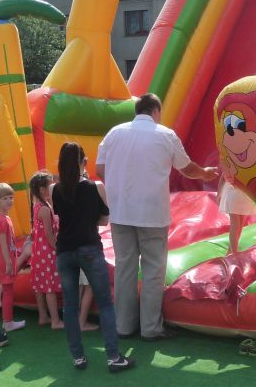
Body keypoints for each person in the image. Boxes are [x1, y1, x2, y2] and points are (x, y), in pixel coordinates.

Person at [96, 93, 219, 341]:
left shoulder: (114, 133)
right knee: (153, 270)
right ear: (156, 111)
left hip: (121, 212)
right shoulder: (165, 135)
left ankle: (123, 325)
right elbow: (187, 168)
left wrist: (121, 184)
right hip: (152, 212)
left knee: (125, 268)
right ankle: (150, 327)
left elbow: (100, 169)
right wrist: (205, 173)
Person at [53, 142, 135, 373]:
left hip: (65, 251)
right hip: (89, 248)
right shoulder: (95, 186)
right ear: (84, 162)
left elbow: (61, 216)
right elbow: (104, 219)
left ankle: (78, 357)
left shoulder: (55, 189)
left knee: (70, 306)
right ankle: (113, 357)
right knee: (106, 304)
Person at [0, 183, 30, 332]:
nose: (9, 201)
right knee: (8, 291)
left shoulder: (5, 217)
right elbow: (2, 243)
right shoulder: (1, 220)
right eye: (4, 198)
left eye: (10, 197)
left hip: (6, 257)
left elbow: (8, 241)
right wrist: (8, 262)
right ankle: (7, 322)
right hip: (4, 259)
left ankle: (7, 321)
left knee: (8, 289)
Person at [29, 171, 63, 329]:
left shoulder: (38, 206)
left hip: (38, 252)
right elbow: (49, 235)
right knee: (49, 287)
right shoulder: (44, 209)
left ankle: (43, 316)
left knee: (40, 286)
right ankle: (55, 321)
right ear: (43, 190)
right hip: (47, 252)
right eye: (51, 185)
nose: (54, 187)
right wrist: (58, 248)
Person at [217, 178, 256, 255]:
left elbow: (223, 178)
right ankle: (232, 250)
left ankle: (233, 251)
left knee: (235, 225)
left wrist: (219, 195)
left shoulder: (230, 170)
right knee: (238, 225)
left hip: (235, 194)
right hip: (243, 195)